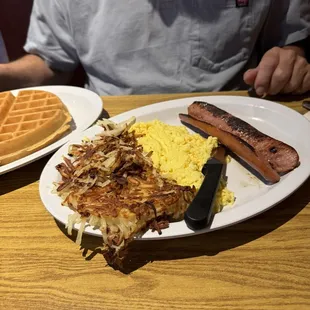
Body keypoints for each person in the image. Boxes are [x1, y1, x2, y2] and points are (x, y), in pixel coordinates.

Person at [0, 0, 309, 96]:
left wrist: (292, 58)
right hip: (106, 128)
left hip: (230, 120)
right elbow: (50, 63)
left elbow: (290, 41)